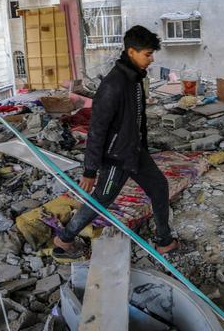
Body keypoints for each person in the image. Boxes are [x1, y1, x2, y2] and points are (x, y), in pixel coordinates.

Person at [53, 25, 179, 261]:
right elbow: (97, 129)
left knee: (159, 187)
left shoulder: (134, 78)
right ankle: (64, 239)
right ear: (131, 52)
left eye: (152, 54)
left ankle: (164, 241)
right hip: (116, 158)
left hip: (134, 150)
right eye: (147, 54)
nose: (151, 59)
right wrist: (90, 170)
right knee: (100, 200)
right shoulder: (114, 84)